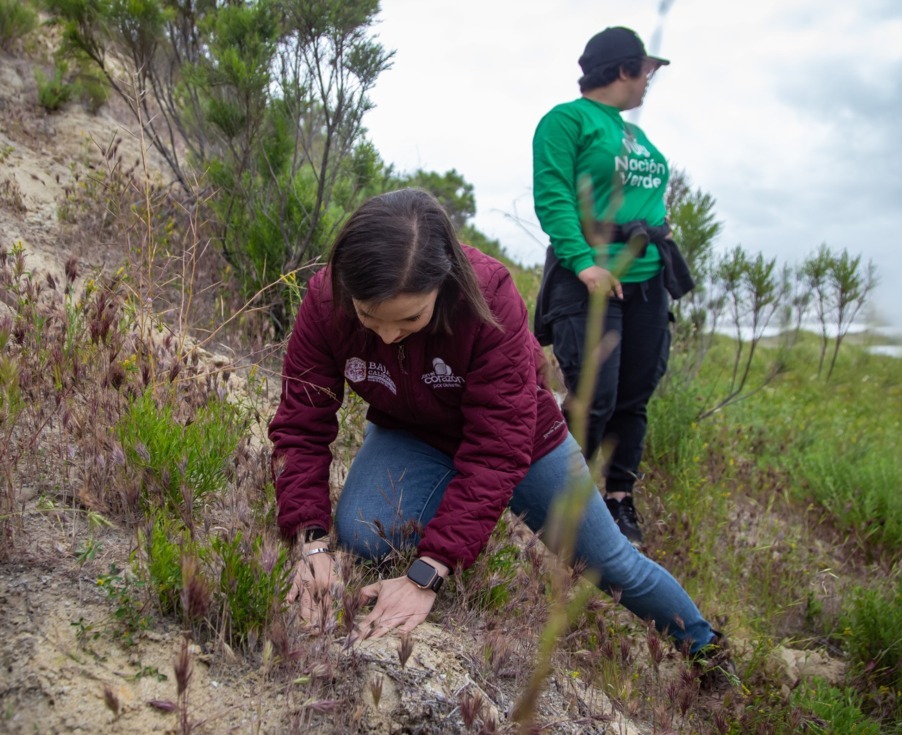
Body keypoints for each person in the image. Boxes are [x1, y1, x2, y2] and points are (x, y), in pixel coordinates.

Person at [269, 188, 723, 665]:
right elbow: (301, 424)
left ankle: (708, 647)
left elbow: (496, 448)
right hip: (413, 433)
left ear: (444, 283)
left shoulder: (488, 297)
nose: (385, 336)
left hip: (525, 443)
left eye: (409, 319)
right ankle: (464, 522)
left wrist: (429, 571)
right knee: (363, 535)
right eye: (368, 317)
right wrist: (310, 538)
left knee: (609, 564)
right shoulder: (325, 301)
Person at [532, 26, 693, 546]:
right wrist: (583, 263)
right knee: (593, 397)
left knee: (633, 397)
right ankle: (559, 503)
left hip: (647, 283)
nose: (649, 81)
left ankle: (618, 500)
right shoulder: (567, 120)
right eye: (646, 70)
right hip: (590, 279)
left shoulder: (636, 136)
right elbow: (555, 195)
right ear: (623, 69)